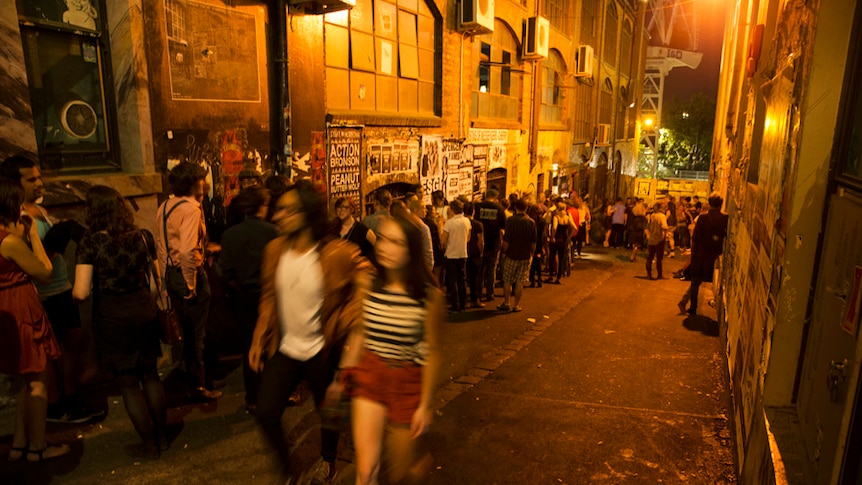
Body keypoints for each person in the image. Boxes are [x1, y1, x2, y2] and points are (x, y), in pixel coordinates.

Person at [248, 179, 373, 483]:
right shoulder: (275, 250)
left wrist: (348, 319)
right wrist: (258, 335)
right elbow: (267, 296)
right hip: (286, 348)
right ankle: (288, 470)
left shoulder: (337, 252)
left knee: (328, 413)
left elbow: (369, 281)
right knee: (265, 412)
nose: (277, 216)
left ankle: (328, 461)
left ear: (307, 213)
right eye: (278, 210)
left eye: (287, 211)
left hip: (323, 350)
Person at [335, 213, 443, 485]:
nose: (384, 247)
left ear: (411, 250)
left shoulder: (429, 298)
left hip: (407, 381)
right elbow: (360, 331)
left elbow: (430, 351)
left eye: (396, 242)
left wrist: (425, 403)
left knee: (400, 475)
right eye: (382, 239)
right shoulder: (367, 283)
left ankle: (417, 467)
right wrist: (343, 373)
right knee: (366, 469)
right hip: (370, 373)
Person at [0, 156, 99, 424]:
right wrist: (55, 239)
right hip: (43, 293)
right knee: (50, 355)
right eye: (31, 179)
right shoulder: (16, 216)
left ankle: (68, 398)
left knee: (72, 341)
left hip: (60, 287)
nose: (39, 183)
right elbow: (28, 260)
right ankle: (57, 406)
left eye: (39, 177)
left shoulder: (36, 209)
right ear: (13, 183)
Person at [72, 185, 168, 458]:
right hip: (144, 310)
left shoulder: (90, 243)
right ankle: (163, 438)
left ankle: (149, 445)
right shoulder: (142, 236)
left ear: (93, 211)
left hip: (113, 317)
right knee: (150, 374)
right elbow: (156, 282)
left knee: (127, 382)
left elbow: (81, 292)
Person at [0, 178, 70, 462]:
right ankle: (39, 446)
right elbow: (45, 273)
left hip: (5, 306)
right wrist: (33, 237)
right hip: (21, 307)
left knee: (24, 381)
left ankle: (19, 444)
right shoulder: (10, 242)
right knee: (39, 378)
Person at [156, 162, 221, 401]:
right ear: (193, 183)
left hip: (172, 274)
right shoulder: (192, 209)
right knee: (197, 334)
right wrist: (191, 284)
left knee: (184, 331)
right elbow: (187, 251)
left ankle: (189, 378)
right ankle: (198, 386)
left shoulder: (165, 206)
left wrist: (166, 281)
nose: (204, 183)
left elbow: (162, 248)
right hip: (189, 273)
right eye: (200, 180)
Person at [216, 186, 278, 413]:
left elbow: (224, 271)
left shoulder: (231, 235)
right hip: (270, 297)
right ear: (262, 206)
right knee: (272, 346)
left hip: (243, 297)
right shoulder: (273, 233)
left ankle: (252, 397)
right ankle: (273, 394)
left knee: (249, 347)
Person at [679, 192, 728, 315]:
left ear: (710, 203)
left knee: (695, 281)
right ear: (721, 204)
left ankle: (692, 307)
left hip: (700, 254)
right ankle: (684, 301)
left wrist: (693, 254)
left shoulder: (703, 218)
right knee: (701, 279)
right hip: (714, 255)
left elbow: (695, 238)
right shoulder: (725, 218)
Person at [498, 198, 536, 312]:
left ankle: (506, 302)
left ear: (515, 207)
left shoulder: (510, 221)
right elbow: (533, 242)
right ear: (526, 208)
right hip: (525, 255)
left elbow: (506, 240)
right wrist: (531, 254)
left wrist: (504, 252)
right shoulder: (531, 222)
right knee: (520, 281)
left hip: (511, 254)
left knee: (507, 280)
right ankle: (516, 305)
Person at [441, 199, 471, 313]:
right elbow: (468, 238)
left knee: (452, 280)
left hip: (451, 254)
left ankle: (455, 304)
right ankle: (463, 303)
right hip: (463, 253)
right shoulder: (467, 221)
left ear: (452, 209)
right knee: (462, 279)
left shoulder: (449, 223)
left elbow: (443, 240)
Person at [476, 189, 506, 302]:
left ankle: (478, 292)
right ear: (496, 197)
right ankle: (490, 293)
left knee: (480, 269)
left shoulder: (478, 206)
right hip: (494, 242)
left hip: (480, 241)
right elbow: (502, 229)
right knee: (491, 269)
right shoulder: (499, 209)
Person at [334, 196, 376, 262]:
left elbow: (377, 245)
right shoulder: (334, 229)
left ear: (352, 209)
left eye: (344, 207)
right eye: (338, 207)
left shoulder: (361, 229)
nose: (341, 210)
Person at [546, 199, 575, 284]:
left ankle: (551, 275)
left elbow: (554, 227)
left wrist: (552, 237)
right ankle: (559, 276)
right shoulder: (567, 216)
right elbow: (574, 228)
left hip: (556, 238)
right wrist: (569, 236)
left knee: (552, 256)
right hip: (564, 239)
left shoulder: (556, 216)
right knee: (562, 257)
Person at [463, 201, 485, 308]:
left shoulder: (461, 223)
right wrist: (481, 252)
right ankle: (475, 300)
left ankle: (464, 300)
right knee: (475, 279)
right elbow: (480, 241)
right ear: (473, 211)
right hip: (475, 254)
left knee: (464, 278)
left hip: (463, 253)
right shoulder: (478, 224)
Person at [405, 194, 434, 271]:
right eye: (423, 208)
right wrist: (430, 266)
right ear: (416, 210)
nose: (426, 210)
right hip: (422, 267)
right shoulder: (424, 228)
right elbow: (428, 251)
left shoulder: (405, 225)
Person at [644, 201, 669, 279]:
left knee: (650, 257)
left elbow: (648, 226)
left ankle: (649, 274)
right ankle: (659, 274)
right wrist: (666, 233)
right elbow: (664, 226)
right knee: (659, 258)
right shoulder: (662, 216)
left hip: (652, 238)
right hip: (659, 239)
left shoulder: (652, 215)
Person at [526, 204, 546, 288]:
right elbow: (544, 233)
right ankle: (539, 279)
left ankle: (532, 279)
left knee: (532, 261)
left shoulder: (530, 221)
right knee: (537, 261)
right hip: (539, 242)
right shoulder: (542, 221)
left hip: (531, 242)